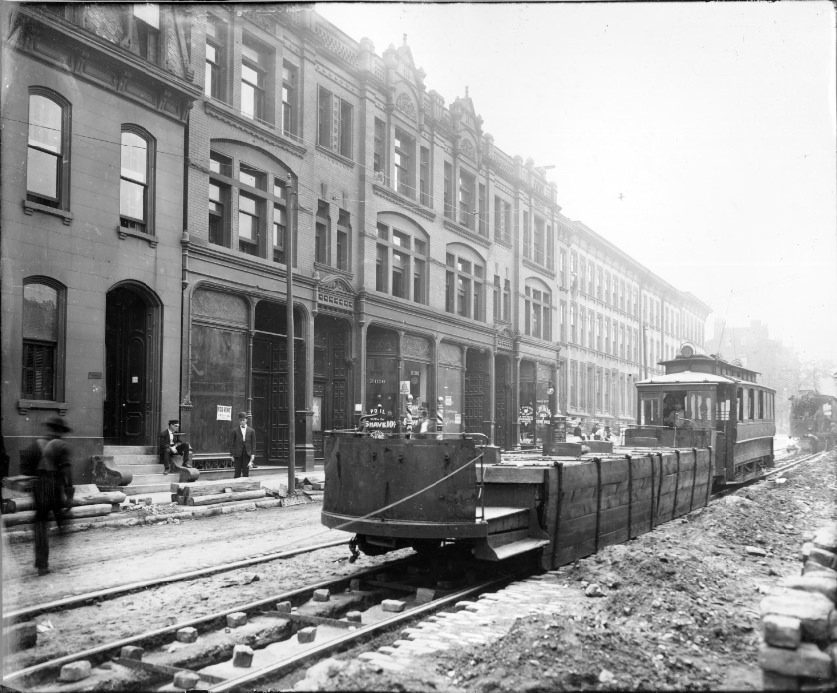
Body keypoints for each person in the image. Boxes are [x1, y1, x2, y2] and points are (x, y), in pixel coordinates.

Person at [22, 417, 74, 576]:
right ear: (60, 431)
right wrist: (69, 494)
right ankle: (61, 531)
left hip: (39, 488)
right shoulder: (61, 445)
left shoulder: (35, 444)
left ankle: (42, 565)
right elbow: (66, 471)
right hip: (54, 487)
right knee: (62, 516)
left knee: (40, 522)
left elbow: (25, 468)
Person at [229, 412, 256, 478]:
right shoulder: (234, 431)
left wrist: (253, 454)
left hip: (247, 453)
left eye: (243, 420)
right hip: (238, 454)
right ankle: (236, 485)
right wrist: (232, 454)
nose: (242, 422)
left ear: (246, 420)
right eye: (241, 420)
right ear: (239, 421)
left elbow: (253, 443)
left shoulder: (251, 431)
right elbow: (231, 443)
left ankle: (245, 486)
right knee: (237, 471)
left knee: (246, 471)